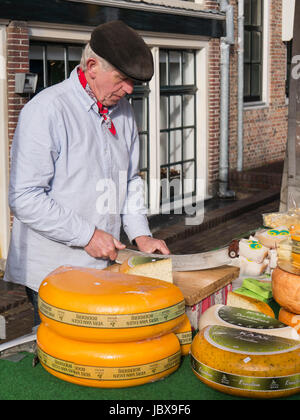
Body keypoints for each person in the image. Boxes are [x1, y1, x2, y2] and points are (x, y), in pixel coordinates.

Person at [4, 20, 170, 325]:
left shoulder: (123, 111)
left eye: (133, 81)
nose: (130, 89)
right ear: (92, 66)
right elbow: (25, 198)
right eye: (122, 79)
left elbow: (129, 180)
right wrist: (87, 234)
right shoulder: (46, 111)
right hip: (52, 272)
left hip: (103, 267)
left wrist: (141, 235)